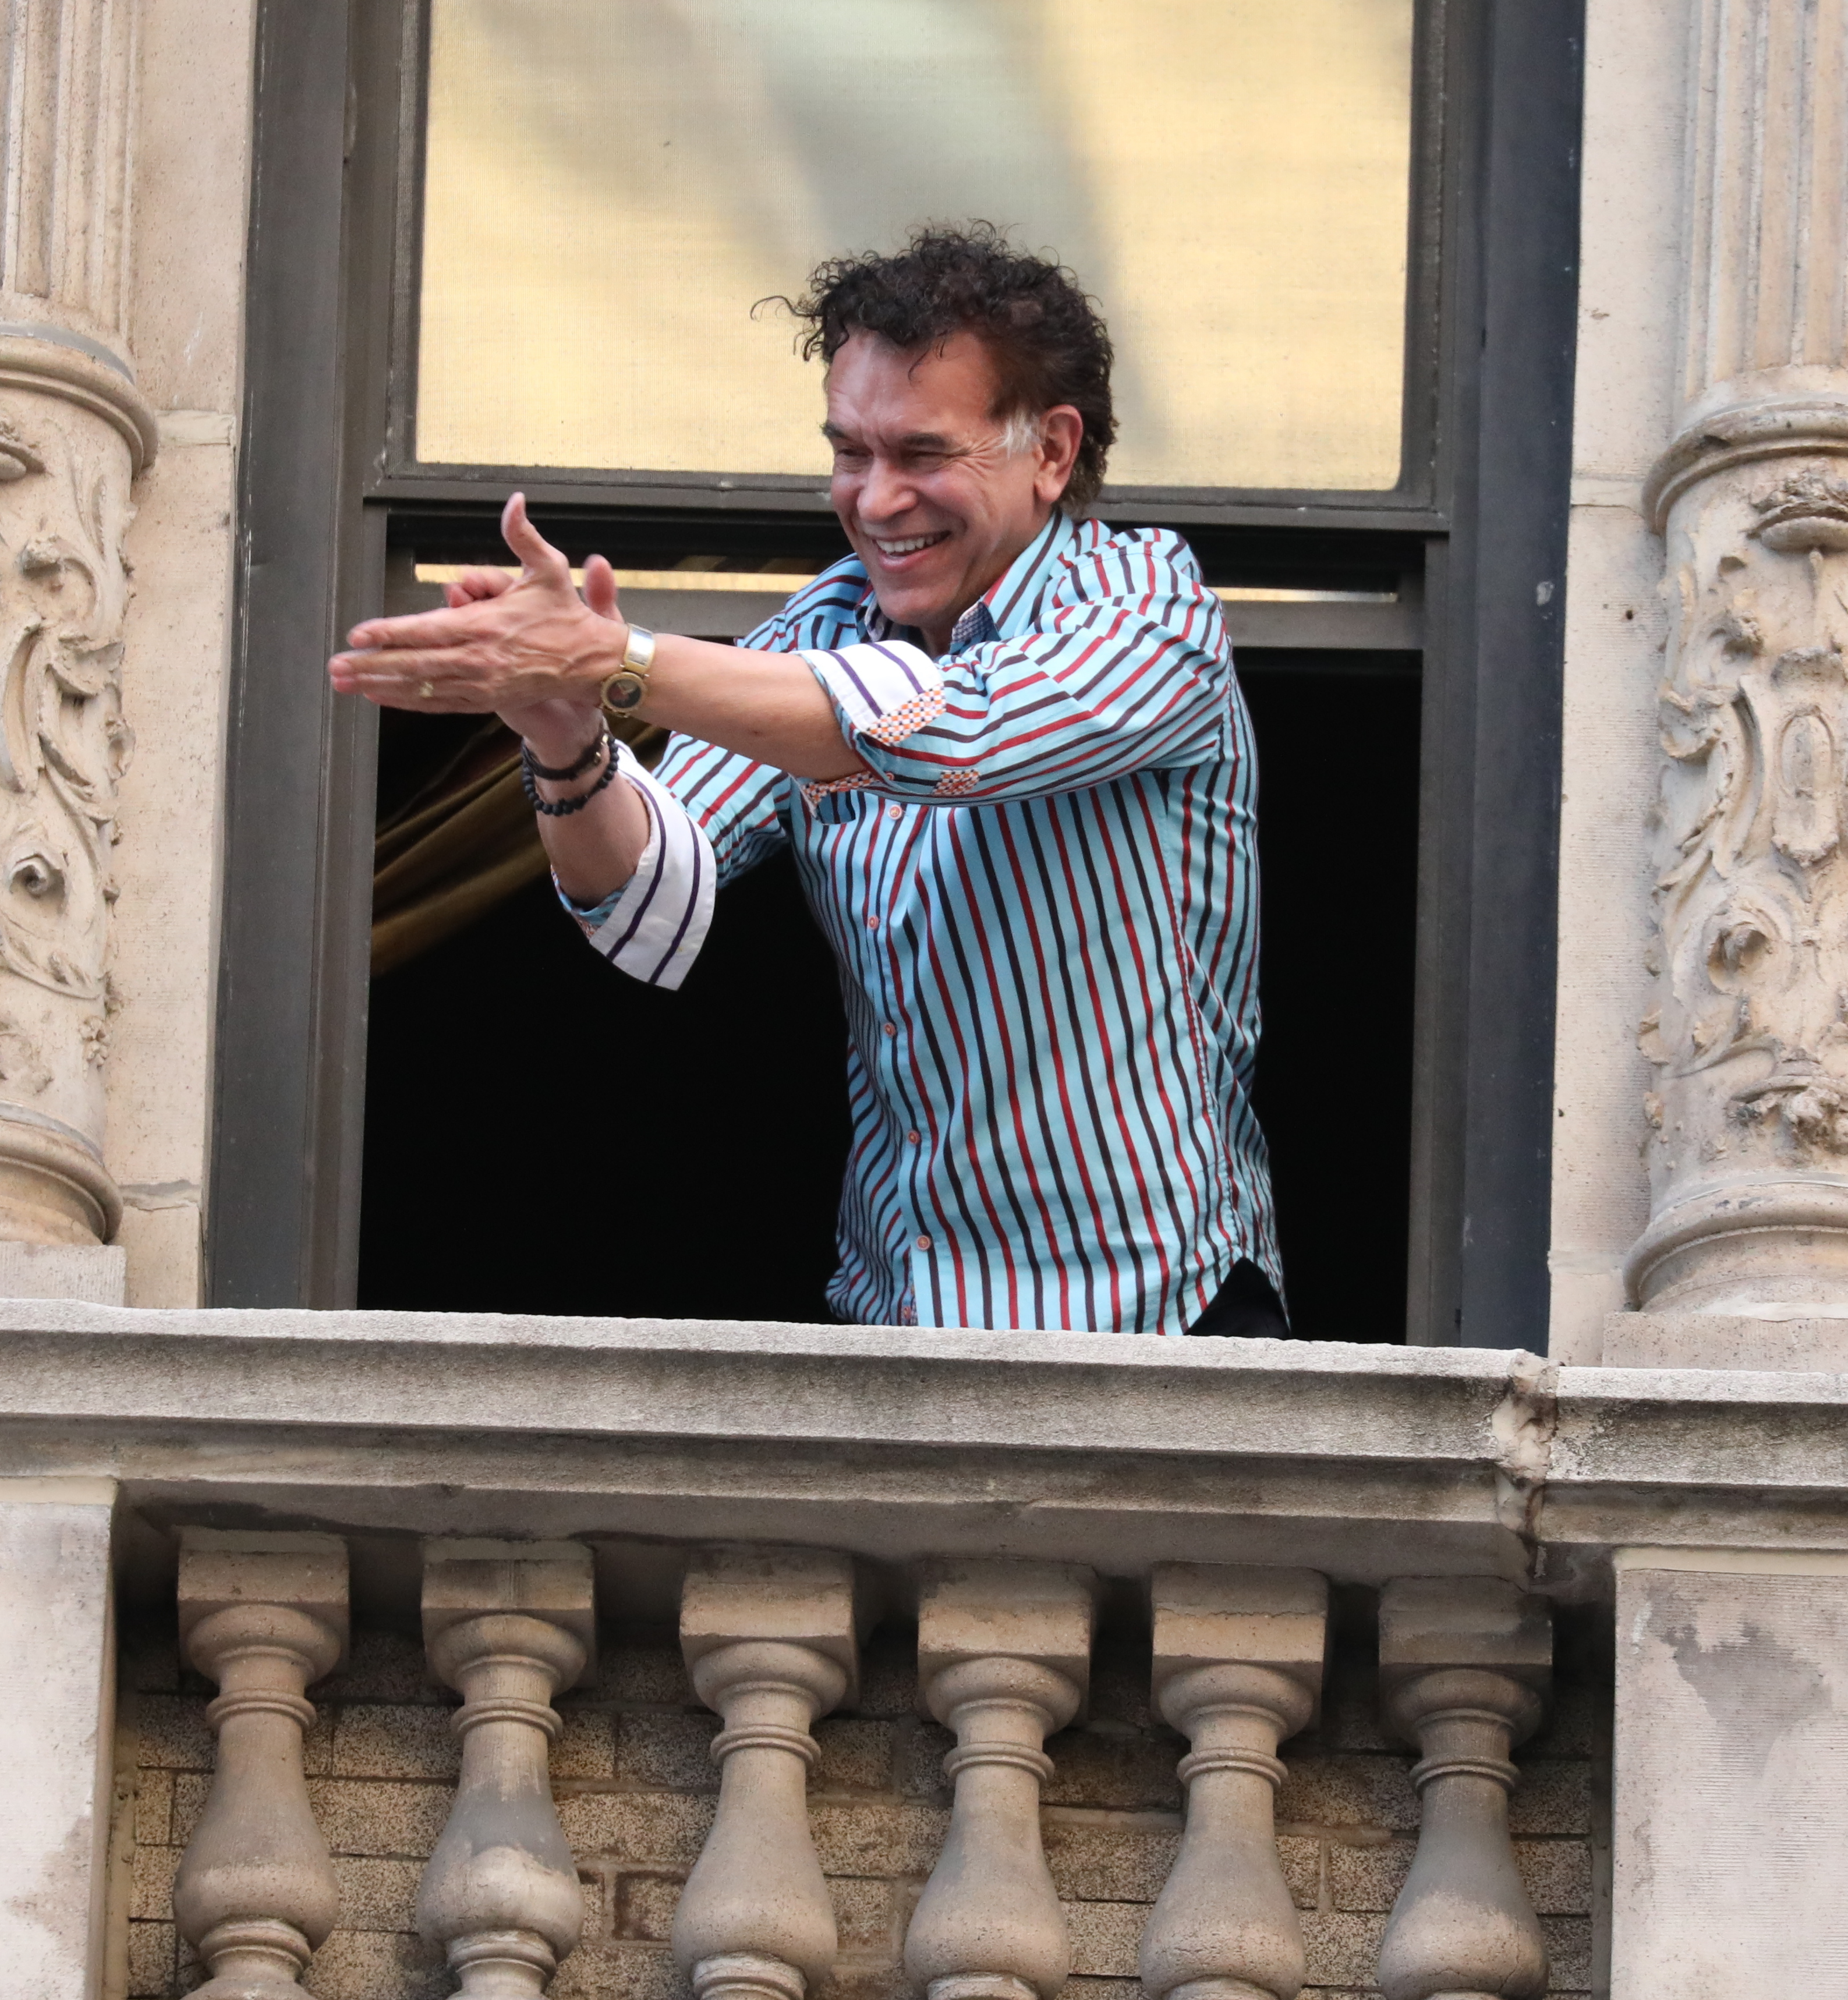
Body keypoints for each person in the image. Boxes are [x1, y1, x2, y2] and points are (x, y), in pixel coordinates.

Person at [330, 225, 1285, 1337]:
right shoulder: (821, 623)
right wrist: (565, 737)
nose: (876, 502)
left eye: (923, 456)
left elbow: (952, 734)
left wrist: (619, 660)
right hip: (895, 1318)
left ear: (1052, 452)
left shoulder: (1147, 607)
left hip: (1155, 1313)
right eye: (850, 452)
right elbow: (643, 895)